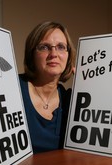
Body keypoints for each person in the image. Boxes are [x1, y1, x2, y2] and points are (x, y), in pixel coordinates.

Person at [19, 21, 76, 153]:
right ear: (32, 54)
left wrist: (90, 87)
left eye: (61, 47)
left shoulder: (71, 101)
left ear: (68, 55)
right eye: (44, 47)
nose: (53, 54)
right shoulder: (12, 89)